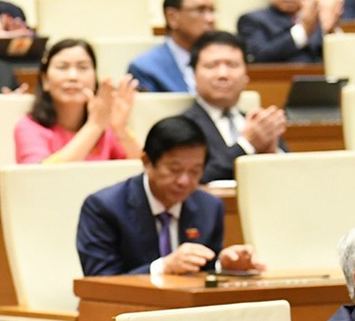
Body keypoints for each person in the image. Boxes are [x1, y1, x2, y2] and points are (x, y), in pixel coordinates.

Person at [77, 117, 259, 276]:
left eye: (195, 171)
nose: (184, 181)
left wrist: (224, 264)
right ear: (147, 162)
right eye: (175, 169)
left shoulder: (210, 207)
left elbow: (205, 269)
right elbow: (100, 280)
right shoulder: (104, 207)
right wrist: (163, 267)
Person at [183, 31, 287, 182]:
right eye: (212, 66)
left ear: (246, 76)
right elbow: (194, 178)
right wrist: (246, 145)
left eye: (232, 65)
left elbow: (292, 175)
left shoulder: (259, 123)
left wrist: (272, 152)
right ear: (193, 75)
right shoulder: (184, 125)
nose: (223, 74)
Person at [14, 38, 138, 164]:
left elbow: (146, 170)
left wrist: (121, 130)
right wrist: (94, 126)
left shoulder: (106, 126)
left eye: (83, 67)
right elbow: (38, 177)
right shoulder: (29, 127)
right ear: (45, 80)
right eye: (62, 67)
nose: (73, 76)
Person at [126, 0, 215, 93]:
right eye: (200, 10)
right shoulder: (145, 68)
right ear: (172, 17)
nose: (211, 19)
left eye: (212, 11)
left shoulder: (226, 61)